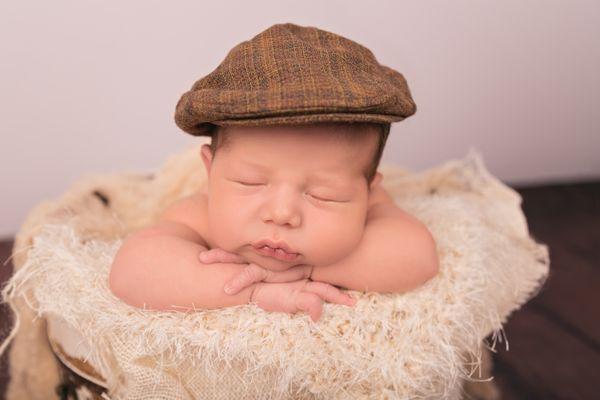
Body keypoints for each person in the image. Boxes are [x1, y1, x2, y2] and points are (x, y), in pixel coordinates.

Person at [108, 23, 439, 322]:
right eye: (250, 183)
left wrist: (310, 269)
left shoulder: (372, 206)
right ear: (210, 172)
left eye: (324, 194)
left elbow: (417, 256)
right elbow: (132, 271)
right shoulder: (199, 215)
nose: (282, 214)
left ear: (367, 190)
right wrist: (253, 290)